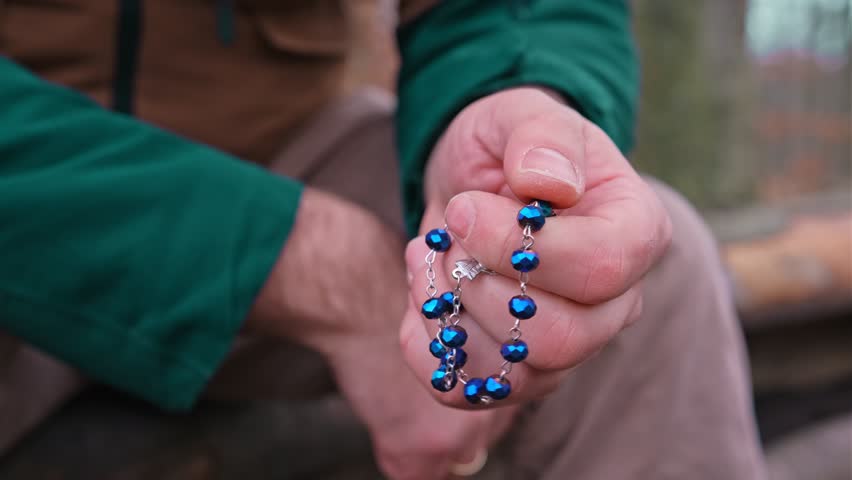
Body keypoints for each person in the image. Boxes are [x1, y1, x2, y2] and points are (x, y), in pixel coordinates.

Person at [0, 1, 767, 478]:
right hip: (31, 188)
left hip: (276, 148)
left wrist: (513, 97)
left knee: (635, 279)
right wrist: (307, 264)